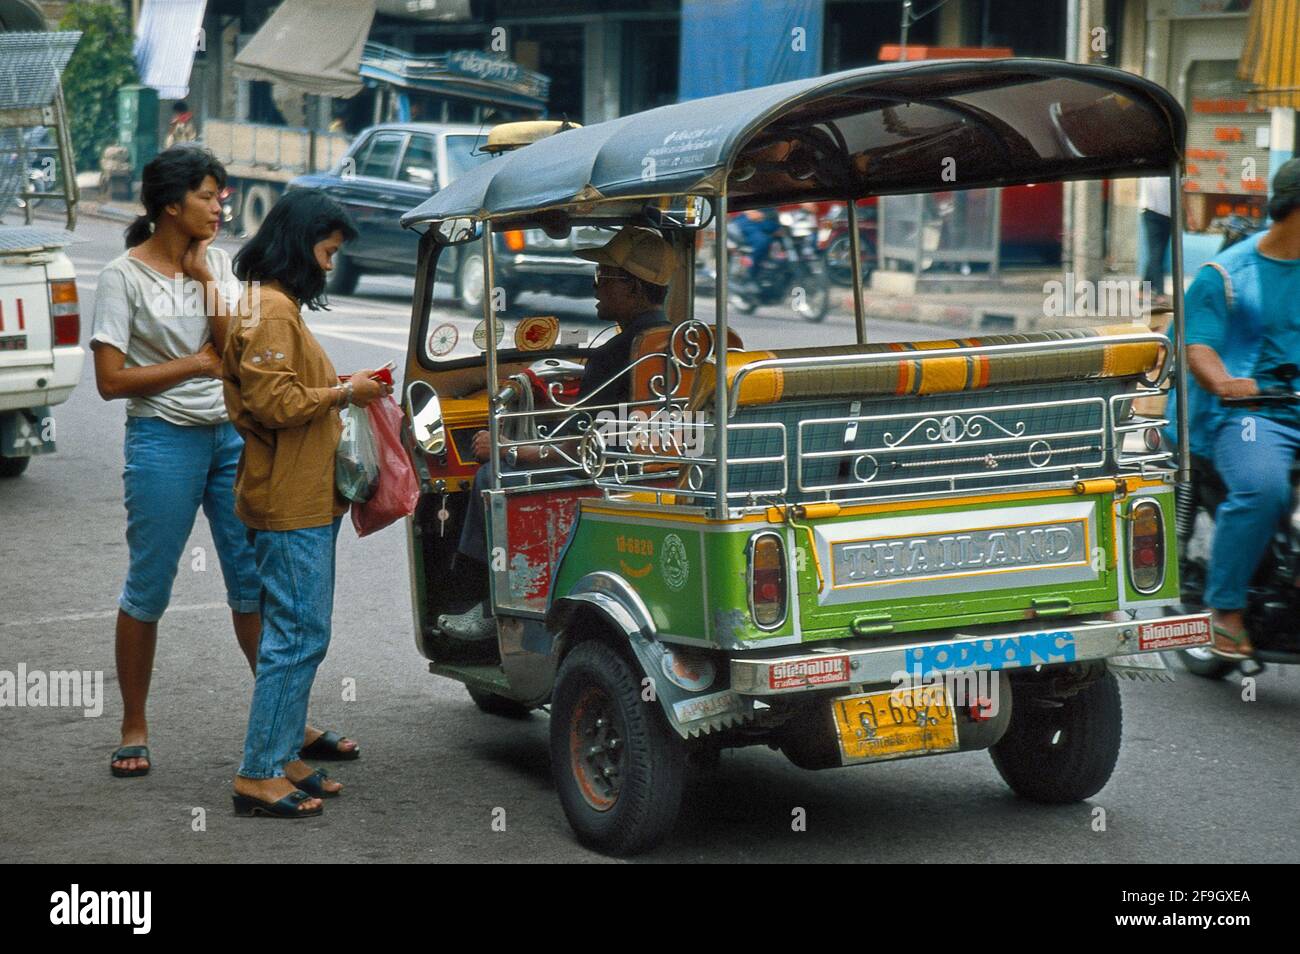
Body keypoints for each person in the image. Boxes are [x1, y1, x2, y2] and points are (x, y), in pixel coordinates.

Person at [90, 148, 360, 780]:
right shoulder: (122, 277)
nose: (220, 208)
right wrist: (195, 367)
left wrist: (206, 281)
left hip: (231, 438)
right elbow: (109, 380)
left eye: (221, 198)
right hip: (163, 437)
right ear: (170, 205)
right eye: (209, 197)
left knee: (253, 583)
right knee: (150, 583)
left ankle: (285, 724)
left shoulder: (216, 267)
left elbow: (238, 352)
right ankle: (135, 723)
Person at [224, 189, 389, 817]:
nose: (329, 265)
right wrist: (345, 392)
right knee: (296, 635)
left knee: (301, 633)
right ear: (300, 246)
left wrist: (341, 389)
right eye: (325, 252)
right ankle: (258, 773)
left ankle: (285, 753)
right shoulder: (270, 311)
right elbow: (275, 404)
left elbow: (287, 390)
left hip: (301, 494)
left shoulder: (277, 307)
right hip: (288, 499)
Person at [438, 226, 674, 642]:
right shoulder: (683, 346)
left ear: (634, 289)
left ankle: (490, 610)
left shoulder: (614, 356)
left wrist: (509, 450)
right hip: (659, 473)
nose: (596, 288)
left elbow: (581, 449)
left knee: (489, 478)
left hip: (605, 479)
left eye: (605, 278)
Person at [1184, 158, 1300, 659]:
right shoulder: (1227, 274)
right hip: (1253, 415)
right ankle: (1224, 610)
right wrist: (1226, 382)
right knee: (1263, 488)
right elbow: (1200, 348)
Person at [1139, 177, 1172, 305]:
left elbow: (1181, 190)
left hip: (1169, 214)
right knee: (1156, 253)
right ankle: (1160, 292)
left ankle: (1143, 289)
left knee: (1158, 253)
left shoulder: (1174, 165)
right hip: (1151, 212)